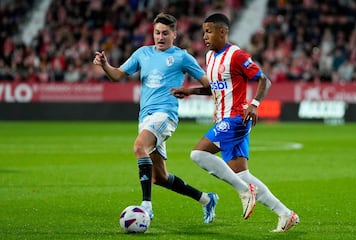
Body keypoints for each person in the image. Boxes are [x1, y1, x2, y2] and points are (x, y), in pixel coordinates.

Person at [93, 13, 228, 224]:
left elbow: (211, 86)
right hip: (145, 118)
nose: (160, 37)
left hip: (165, 115)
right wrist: (104, 65)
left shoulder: (182, 57)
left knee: (139, 147)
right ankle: (206, 199)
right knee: (160, 178)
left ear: (174, 35)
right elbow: (117, 75)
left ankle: (146, 206)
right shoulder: (143, 53)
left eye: (165, 33)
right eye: (157, 33)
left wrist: (188, 90)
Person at [171, 13, 300, 232]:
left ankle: (243, 190)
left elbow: (263, 79)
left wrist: (255, 104)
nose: (204, 36)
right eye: (204, 32)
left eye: (209, 31)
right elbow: (215, 88)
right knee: (242, 174)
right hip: (224, 118)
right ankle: (285, 214)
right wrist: (189, 91)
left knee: (198, 154)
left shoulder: (236, 55)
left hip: (237, 118)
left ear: (223, 32)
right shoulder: (211, 57)